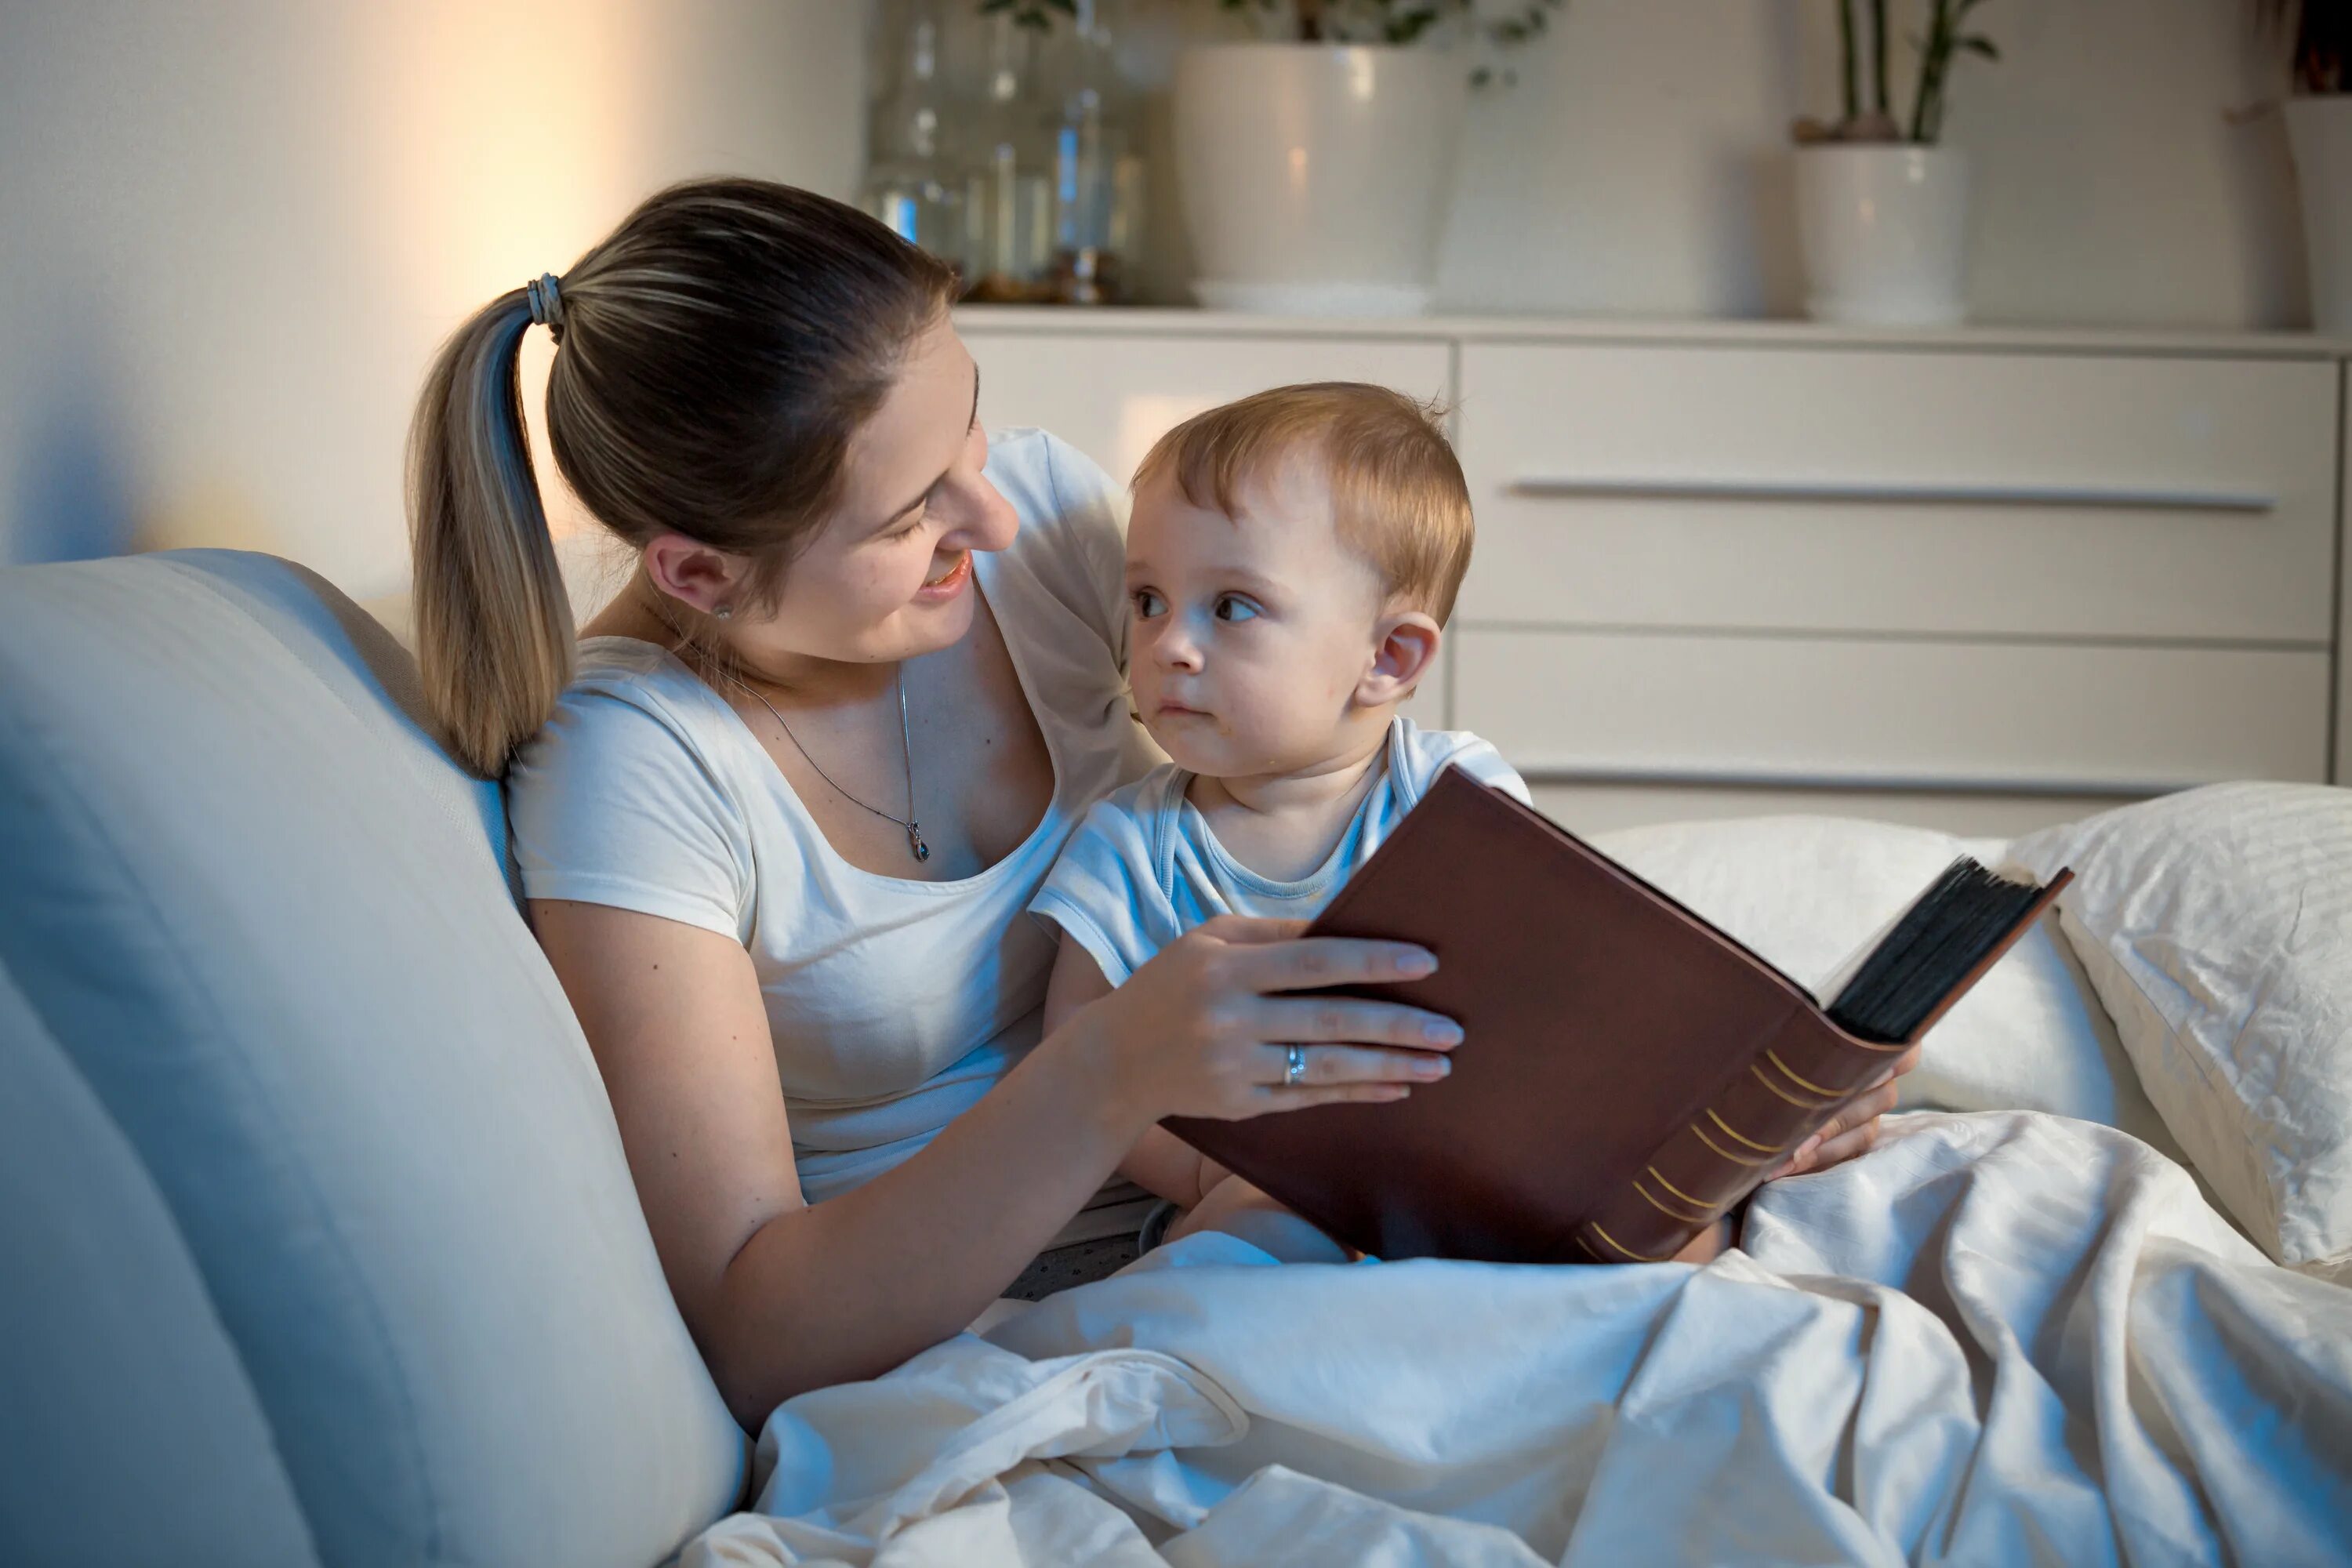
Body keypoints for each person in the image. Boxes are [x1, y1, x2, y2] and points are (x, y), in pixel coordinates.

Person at [403, 176, 1914, 1432]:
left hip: (1330, 1192)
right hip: (1066, 1307)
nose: (993, 519)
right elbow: (760, 1335)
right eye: (911, 511)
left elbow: (1317, 756)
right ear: (697, 573)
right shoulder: (638, 769)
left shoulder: (1052, 532)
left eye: (970, 428)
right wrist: (1117, 1069)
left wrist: (1701, 1086)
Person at [1030, 384, 1761, 1265]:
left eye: (1230, 607)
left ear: (1388, 657)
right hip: (1263, 1197)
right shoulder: (1129, 845)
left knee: (1678, 1232)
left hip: (1468, 1169)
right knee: (1239, 1253)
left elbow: (1542, 990)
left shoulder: (1453, 793)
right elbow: (1079, 1055)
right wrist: (1198, 1178)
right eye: (1148, 599)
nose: (1168, 645)